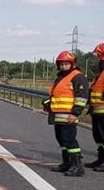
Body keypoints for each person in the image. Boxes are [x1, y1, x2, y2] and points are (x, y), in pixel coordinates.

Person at [43, 50, 90, 177]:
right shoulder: (61, 77)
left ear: (72, 64)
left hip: (69, 115)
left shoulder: (77, 76)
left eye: (66, 64)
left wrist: (75, 113)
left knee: (70, 141)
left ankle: (77, 166)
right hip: (58, 116)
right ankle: (67, 163)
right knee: (62, 140)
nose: (63, 66)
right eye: (61, 64)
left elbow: (82, 97)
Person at [85, 42, 104, 172]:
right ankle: (101, 158)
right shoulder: (100, 74)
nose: (97, 59)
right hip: (97, 110)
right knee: (98, 137)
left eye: (99, 56)